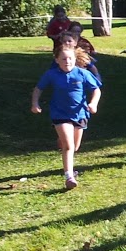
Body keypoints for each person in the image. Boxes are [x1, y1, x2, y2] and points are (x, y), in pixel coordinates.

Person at [31, 43, 102, 190]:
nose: (67, 62)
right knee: (69, 146)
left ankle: (61, 139)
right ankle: (69, 176)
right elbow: (38, 89)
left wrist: (93, 103)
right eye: (63, 59)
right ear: (56, 60)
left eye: (70, 58)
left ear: (75, 59)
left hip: (80, 113)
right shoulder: (51, 74)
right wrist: (35, 103)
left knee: (75, 146)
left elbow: (96, 90)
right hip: (60, 114)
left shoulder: (82, 73)